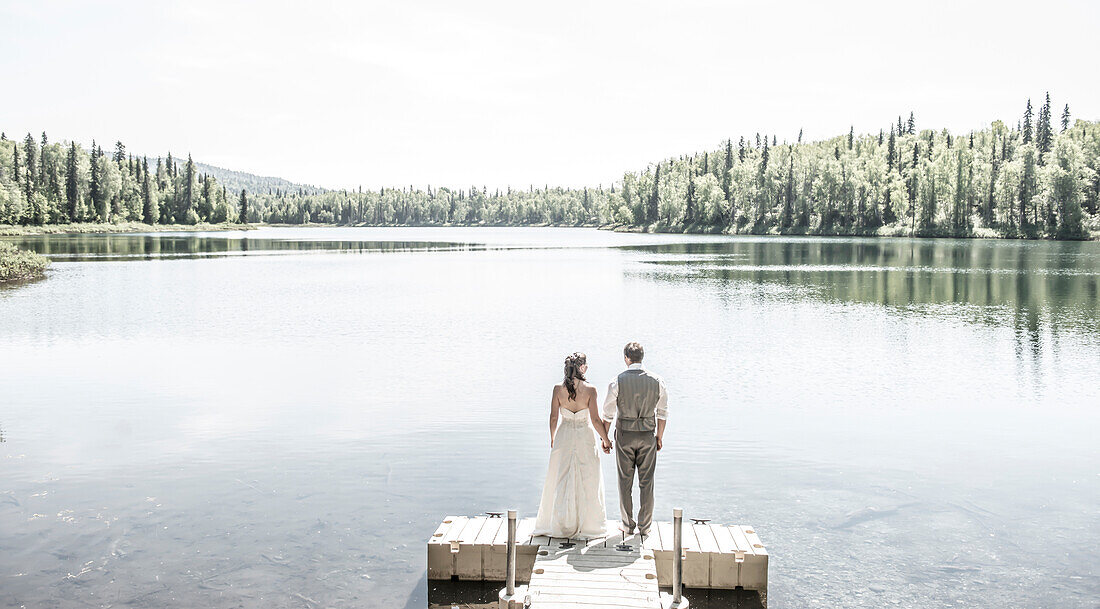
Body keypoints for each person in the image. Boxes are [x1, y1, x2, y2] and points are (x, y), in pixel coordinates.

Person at [532, 353, 612, 539]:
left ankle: (560, 522)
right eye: (586, 365)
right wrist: (606, 440)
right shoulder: (590, 390)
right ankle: (589, 525)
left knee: (560, 477)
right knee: (588, 477)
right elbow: (595, 419)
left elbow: (553, 417)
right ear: (582, 367)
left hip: (564, 436)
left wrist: (553, 437)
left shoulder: (557, 389)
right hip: (585, 436)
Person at [602, 342, 667, 536]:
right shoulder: (657, 381)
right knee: (647, 482)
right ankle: (645, 527)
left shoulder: (617, 381)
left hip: (625, 436)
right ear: (642, 357)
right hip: (647, 435)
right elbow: (662, 414)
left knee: (625, 481)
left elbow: (607, 415)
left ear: (626, 358)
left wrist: (605, 439)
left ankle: (628, 525)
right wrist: (659, 437)